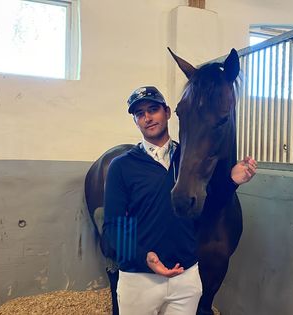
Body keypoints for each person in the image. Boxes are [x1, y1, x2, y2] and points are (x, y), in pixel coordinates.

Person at [102, 86, 257, 315]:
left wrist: (231, 181)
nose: (147, 117)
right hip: (139, 277)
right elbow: (112, 227)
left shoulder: (187, 160)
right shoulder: (121, 166)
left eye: (153, 109)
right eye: (140, 114)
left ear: (167, 112)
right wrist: (143, 257)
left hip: (186, 277)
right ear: (136, 121)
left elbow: (208, 208)